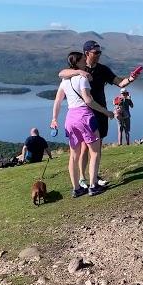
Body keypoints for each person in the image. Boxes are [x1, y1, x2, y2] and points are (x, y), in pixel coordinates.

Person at [58, 40, 140, 189]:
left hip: (100, 111)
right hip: (85, 113)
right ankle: (83, 178)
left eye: (100, 52)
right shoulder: (80, 67)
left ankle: (93, 177)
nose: (98, 55)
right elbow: (61, 73)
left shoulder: (102, 69)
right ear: (87, 53)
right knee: (83, 147)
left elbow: (119, 83)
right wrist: (79, 72)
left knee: (97, 146)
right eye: (96, 52)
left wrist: (130, 79)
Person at [51, 51, 115, 197]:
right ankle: (93, 186)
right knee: (95, 152)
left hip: (70, 119)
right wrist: (106, 112)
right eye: (83, 59)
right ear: (78, 62)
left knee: (74, 155)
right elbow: (88, 100)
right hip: (85, 117)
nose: (86, 60)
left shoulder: (65, 81)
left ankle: (77, 189)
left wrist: (54, 119)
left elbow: (58, 101)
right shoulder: (82, 78)